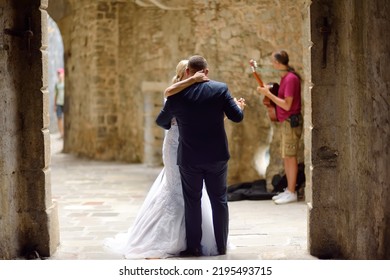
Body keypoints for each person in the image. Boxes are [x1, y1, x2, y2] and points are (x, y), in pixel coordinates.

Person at [104, 60, 217, 259]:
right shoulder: (174, 93)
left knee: (191, 190)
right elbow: (168, 94)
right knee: (175, 189)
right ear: (184, 73)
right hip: (174, 146)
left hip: (192, 147)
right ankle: (168, 238)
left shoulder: (194, 93)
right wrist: (191, 82)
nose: (193, 76)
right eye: (189, 73)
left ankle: (193, 237)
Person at [156, 55, 246, 256]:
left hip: (189, 157)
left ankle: (194, 247)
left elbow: (162, 121)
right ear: (206, 71)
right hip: (217, 156)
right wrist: (239, 107)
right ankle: (221, 246)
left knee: (192, 201)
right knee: (219, 200)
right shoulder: (220, 89)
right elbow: (236, 117)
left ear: (188, 72)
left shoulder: (176, 96)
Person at [256, 50, 303, 205]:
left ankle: (291, 192)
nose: (272, 64)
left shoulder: (290, 79)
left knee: (291, 157)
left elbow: (287, 104)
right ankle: (289, 190)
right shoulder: (285, 78)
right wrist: (267, 90)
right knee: (287, 157)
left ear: (278, 63)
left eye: (273, 62)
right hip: (286, 123)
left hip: (291, 122)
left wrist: (267, 95)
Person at [54, 68, 65, 139]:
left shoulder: (65, 83)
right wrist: (54, 105)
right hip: (59, 103)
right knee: (59, 118)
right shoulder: (57, 84)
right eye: (58, 73)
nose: (59, 75)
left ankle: (65, 133)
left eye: (60, 73)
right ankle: (62, 133)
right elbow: (55, 95)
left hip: (65, 103)